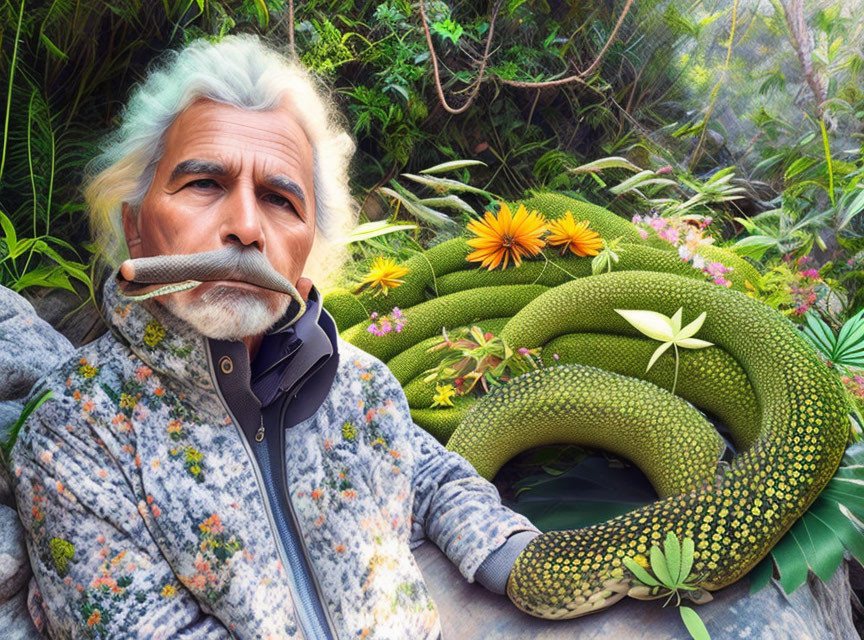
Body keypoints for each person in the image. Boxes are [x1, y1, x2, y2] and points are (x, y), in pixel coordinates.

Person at [8, 34, 541, 640]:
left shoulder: (360, 386)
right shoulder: (76, 429)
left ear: (309, 246)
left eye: (279, 198)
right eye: (204, 184)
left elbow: (432, 477)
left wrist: (522, 558)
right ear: (136, 228)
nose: (244, 228)